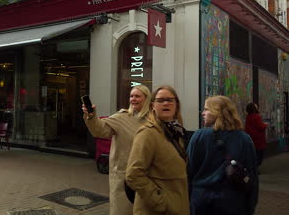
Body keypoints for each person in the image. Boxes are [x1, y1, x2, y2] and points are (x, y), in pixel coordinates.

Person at [82, 85, 152, 215]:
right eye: (131, 96)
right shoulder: (122, 117)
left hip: (148, 178)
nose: (133, 99)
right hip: (124, 178)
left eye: (137, 96)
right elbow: (100, 130)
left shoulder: (154, 119)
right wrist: (91, 117)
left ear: (147, 99)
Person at [187, 96, 258, 215]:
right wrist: (250, 206)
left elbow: (189, 171)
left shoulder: (198, 136)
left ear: (218, 112)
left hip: (201, 201)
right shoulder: (244, 139)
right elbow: (252, 176)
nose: (203, 113)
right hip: (233, 202)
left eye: (206, 109)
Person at [125, 85, 189, 215]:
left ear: (176, 104)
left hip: (178, 205)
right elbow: (133, 174)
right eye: (160, 100)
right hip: (157, 209)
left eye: (170, 100)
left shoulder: (178, 132)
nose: (166, 103)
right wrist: (159, 201)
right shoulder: (147, 133)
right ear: (153, 105)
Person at [245, 103, 268, 168]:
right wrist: (265, 125)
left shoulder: (248, 117)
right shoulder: (257, 116)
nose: (257, 107)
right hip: (258, 139)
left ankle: (252, 167)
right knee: (259, 155)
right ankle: (255, 168)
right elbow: (261, 127)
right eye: (256, 106)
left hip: (251, 138)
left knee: (253, 155)